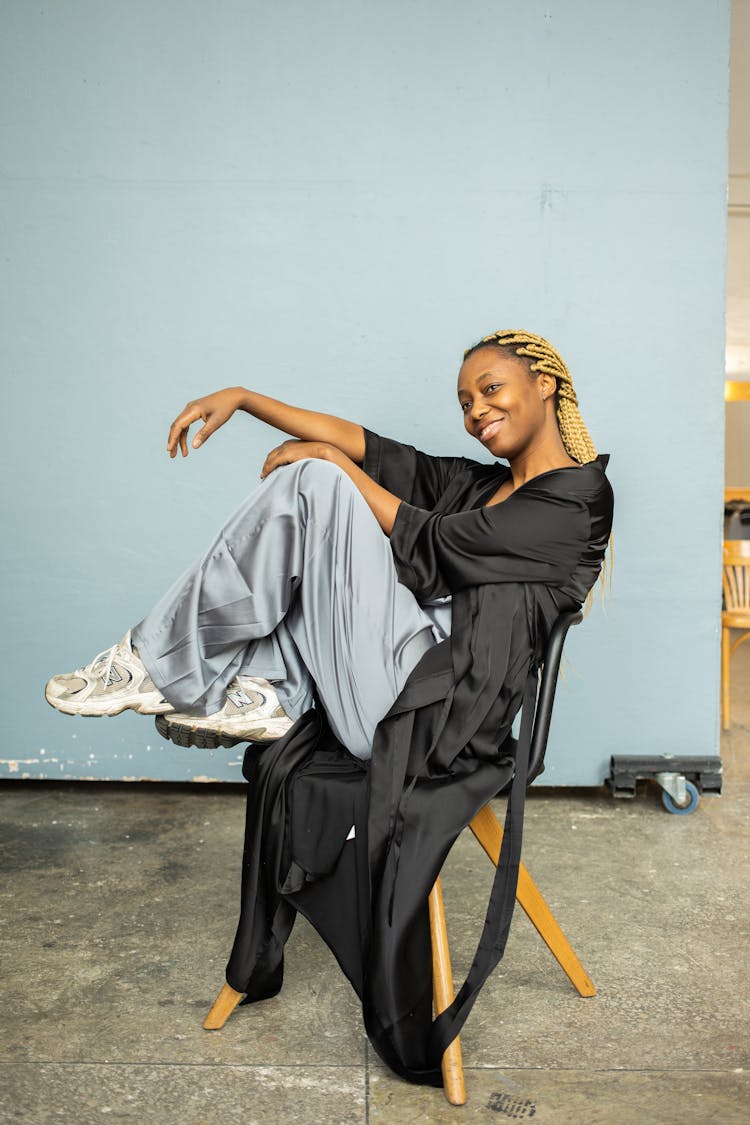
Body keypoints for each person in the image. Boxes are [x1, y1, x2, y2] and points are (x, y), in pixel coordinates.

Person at [44, 328, 614, 1086]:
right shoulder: (479, 483)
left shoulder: (579, 499)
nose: (476, 409)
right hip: (392, 688)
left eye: (490, 389)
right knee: (317, 491)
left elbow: (432, 541)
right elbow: (368, 446)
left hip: (433, 724)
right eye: (465, 400)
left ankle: (172, 665)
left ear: (545, 383)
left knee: (318, 489)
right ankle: (251, 687)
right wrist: (245, 400)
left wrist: (331, 469)